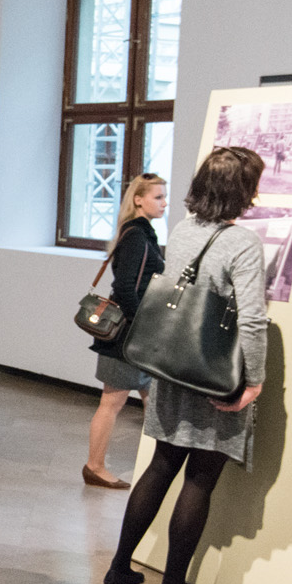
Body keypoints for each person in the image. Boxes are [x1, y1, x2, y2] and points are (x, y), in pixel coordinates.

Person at [103, 146, 268, 584]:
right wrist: (254, 381)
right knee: (199, 478)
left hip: (172, 366)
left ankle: (119, 566)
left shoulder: (182, 229)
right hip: (214, 375)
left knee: (161, 465)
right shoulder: (242, 243)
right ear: (242, 190)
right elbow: (252, 320)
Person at [84, 173, 166, 489]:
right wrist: (141, 323)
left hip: (136, 335)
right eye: (158, 197)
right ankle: (94, 466)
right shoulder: (136, 236)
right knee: (112, 403)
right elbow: (124, 288)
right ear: (139, 200)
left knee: (154, 401)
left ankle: (156, 468)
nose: (164, 203)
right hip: (127, 336)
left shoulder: (140, 233)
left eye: (164, 196)